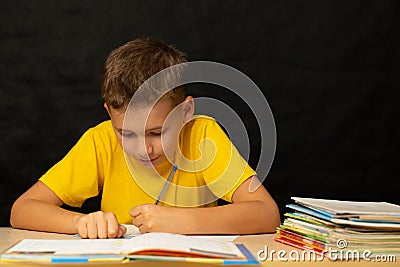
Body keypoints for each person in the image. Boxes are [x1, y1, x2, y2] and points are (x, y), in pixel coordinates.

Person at [10, 38, 280, 239]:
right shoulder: (100, 141)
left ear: (186, 112)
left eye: (156, 132)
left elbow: (267, 214)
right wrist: (79, 223)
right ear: (109, 114)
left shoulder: (202, 136)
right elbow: (22, 209)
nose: (142, 149)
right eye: (126, 133)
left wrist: (182, 221)